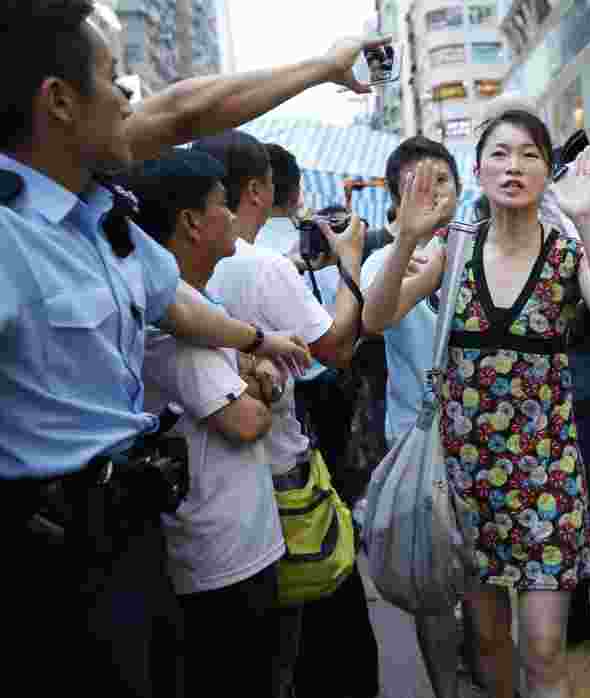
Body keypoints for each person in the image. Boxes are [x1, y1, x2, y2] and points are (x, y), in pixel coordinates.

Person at [0, 3, 406, 695]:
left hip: (134, 542)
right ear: (60, 102)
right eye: (111, 78)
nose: (130, 97)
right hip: (49, 564)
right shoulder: (11, 233)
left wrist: (256, 340)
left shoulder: (101, 219)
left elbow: (178, 301)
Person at [364, 109, 590, 698]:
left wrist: (589, 218)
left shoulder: (567, 252)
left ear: (548, 172)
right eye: (500, 153)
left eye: (530, 155)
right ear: (479, 168)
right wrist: (408, 236)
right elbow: (376, 316)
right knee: (489, 645)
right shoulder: (454, 249)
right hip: (465, 478)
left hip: (547, 477)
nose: (513, 166)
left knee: (543, 650)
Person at [194, 130, 368, 698]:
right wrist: (349, 264)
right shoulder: (263, 266)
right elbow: (337, 347)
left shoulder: (174, 263)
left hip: (204, 502)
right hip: (280, 488)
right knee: (328, 653)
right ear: (256, 190)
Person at [121, 149, 286, 696]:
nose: (236, 217)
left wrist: (259, 376)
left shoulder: (203, 308)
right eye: (223, 206)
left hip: (242, 544)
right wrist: (266, 383)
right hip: (217, 560)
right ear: (192, 223)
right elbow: (244, 419)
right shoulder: (175, 326)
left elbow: (254, 373)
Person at [362, 135, 466, 698]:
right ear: (395, 197)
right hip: (417, 443)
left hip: (483, 440)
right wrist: (409, 244)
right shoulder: (385, 260)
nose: (433, 195)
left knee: (482, 583)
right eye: (417, 186)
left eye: (441, 182)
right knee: (432, 580)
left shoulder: (483, 247)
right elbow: (374, 320)